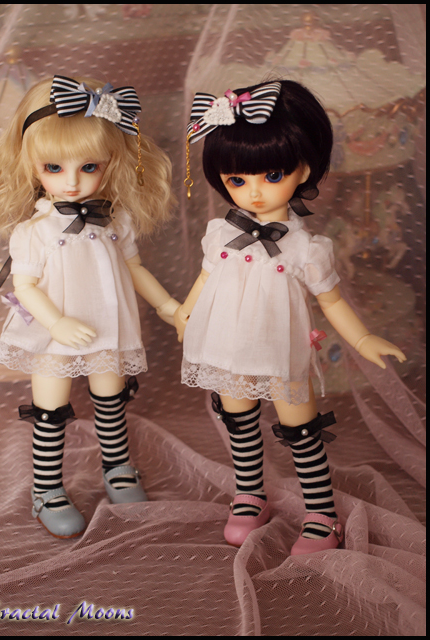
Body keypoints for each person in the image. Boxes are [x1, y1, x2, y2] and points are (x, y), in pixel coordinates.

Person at [175, 80, 406, 554]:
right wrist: (184, 313)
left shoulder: (306, 247)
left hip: (281, 346)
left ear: (304, 168)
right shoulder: (220, 233)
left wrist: (363, 340)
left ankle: (321, 512)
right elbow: (205, 278)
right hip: (226, 340)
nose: (255, 192)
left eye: (272, 175)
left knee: (301, 427)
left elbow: (333, 301)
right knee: (238, 417)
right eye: (237, 180)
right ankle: (249, 495)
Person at [0, 74, 179, 538]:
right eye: (54, 168)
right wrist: (57, 322)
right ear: (30, 165)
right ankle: (47, 488)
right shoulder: (34, 231)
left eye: (89, 167)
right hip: (53, 329)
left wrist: (168, 307)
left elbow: (135, 268)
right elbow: (25, 286)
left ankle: (117, 469)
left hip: (108, 322)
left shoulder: (115, 219)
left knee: (111, 399)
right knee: (51, 408)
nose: (73, 182)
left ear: (111, 162)